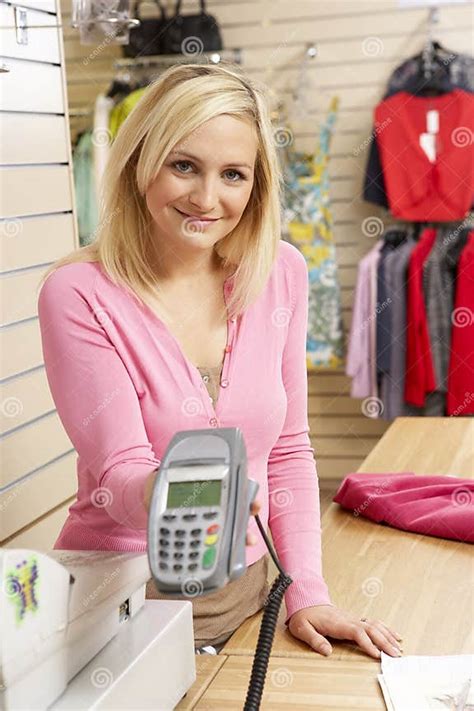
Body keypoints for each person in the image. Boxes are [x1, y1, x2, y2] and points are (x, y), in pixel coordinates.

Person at [37, 62, 402, 659]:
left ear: (255, 185)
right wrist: (186, 492)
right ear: (139, 164)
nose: (207, 199)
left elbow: (287, 449)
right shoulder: (79, 293)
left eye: (233, 174)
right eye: (184, 165)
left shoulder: (280, 272)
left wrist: (306, 592)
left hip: (252, 601)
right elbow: (120, 473)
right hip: (123, 604)